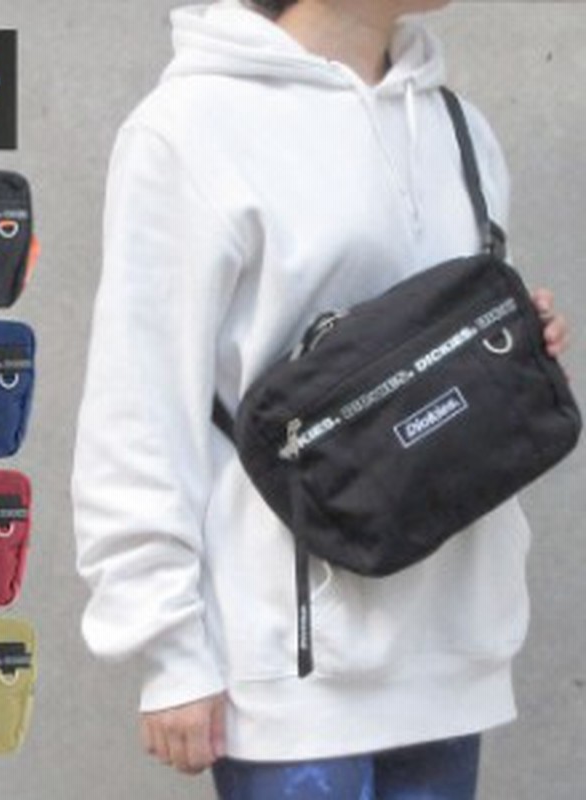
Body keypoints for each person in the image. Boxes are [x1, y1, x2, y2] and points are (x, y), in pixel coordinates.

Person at [71, 1, 571, 798]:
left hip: (452, 652)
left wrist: (508, 347)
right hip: (290, 666)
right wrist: (166, 646)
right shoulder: (190, 130)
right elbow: (139, 405)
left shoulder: (457, 127)